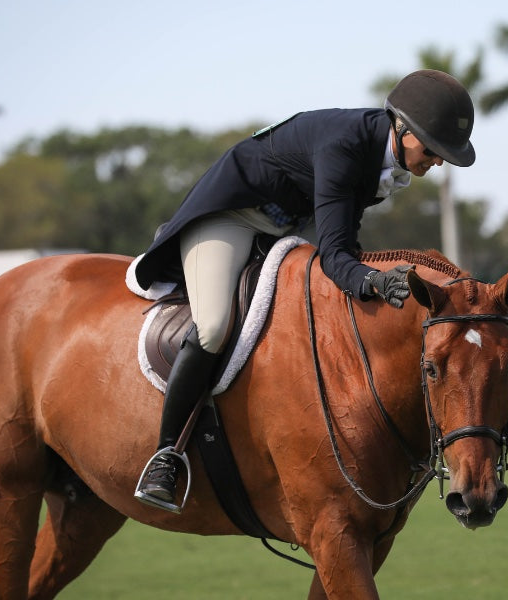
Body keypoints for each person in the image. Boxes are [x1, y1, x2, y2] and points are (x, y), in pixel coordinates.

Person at [133, 69, 476, 509]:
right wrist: (370, 280)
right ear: (403, 130)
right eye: (434, 149)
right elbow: (337, 256)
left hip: (284, 227)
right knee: (214, 326)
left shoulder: (380, 156)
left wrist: (365, 277)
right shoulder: (345, 148)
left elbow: (344, 244)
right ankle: (167, 456)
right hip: (233, 217)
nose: (438, 161)